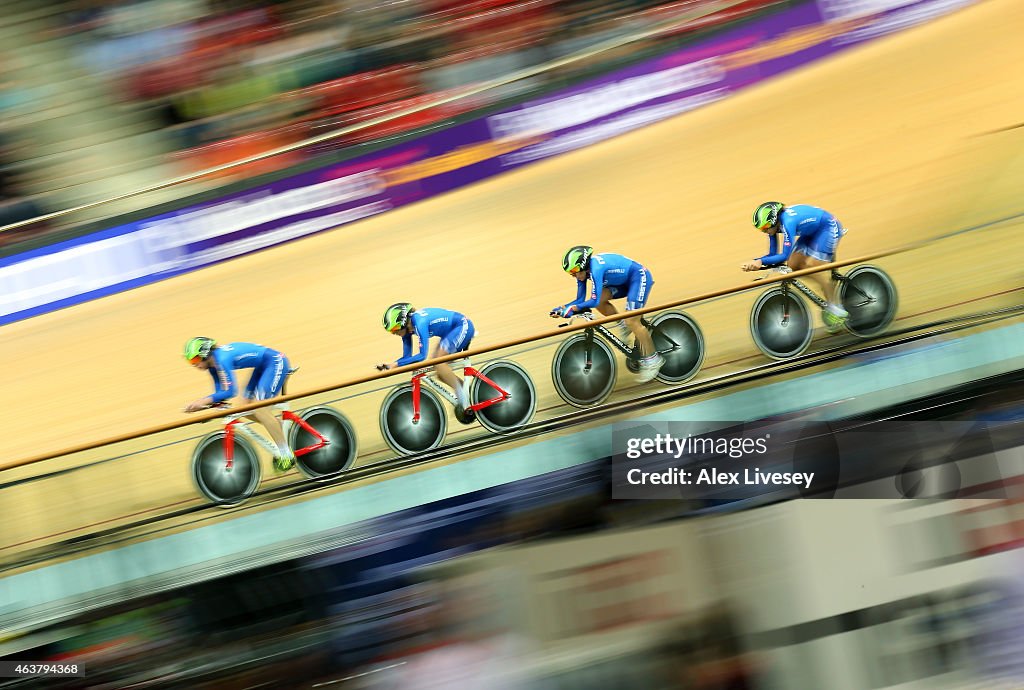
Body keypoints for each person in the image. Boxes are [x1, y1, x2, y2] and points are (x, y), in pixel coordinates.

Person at [182, 337, 296, 472]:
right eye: (190, 362)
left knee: (259, 408)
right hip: (263, 366)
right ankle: (276, 426)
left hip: (275, 362)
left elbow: (231, 391)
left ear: (205, 353)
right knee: (244, 407)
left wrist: (203, 401)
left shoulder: (221, 359)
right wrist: (205, 405)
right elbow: (220, 391)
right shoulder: (213, 367)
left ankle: (286, 454)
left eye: (195, 360)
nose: (194, 365)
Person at [551, 245, 663, 382]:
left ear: (583, 264)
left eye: (574, 271)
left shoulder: (596, 268)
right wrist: (562, 308)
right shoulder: (582, 274)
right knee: (602, 304)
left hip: (638, 277)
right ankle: (623, 325)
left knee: (632, 321)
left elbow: (592, 300)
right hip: (623, 282)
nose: (573, 275)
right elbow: (580, 300)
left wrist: (573, 309)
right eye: (570, 273)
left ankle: (653, 360)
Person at [742, 201, 849, 331]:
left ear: (773, 220)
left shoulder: (788, 222)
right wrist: (756, 261)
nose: (764, 231)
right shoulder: (774, 226)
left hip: (828, 227)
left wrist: (761, 262)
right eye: (760, 229)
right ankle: (826, 287)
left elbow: (784, 255)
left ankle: (836, 307)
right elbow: (772, 254)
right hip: (812, 232)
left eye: (765, 227)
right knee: (793, 265)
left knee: (816, 266)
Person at [378, 304, 476, 422]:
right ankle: (470, 394)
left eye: (394, 330)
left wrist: (395, 365)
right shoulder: (408, 330)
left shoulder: (420, 322)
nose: (393, 333)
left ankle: (463, 401)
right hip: (451, 331)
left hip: (462, 326)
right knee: (440, 372)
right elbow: (406, 357)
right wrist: (391, 365)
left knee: (439, 363)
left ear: (402, 322)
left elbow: (421, 356)